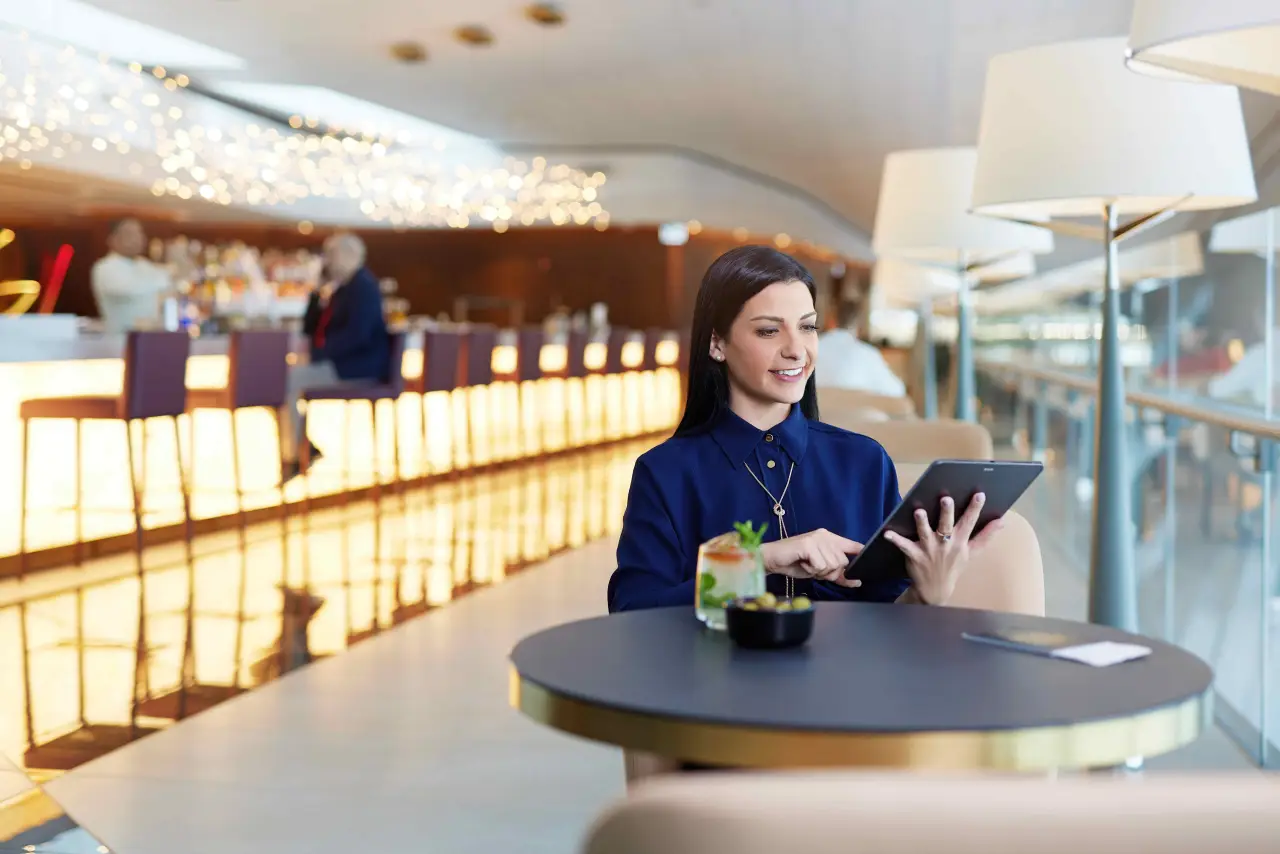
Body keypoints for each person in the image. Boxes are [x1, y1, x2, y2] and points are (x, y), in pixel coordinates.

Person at [608, 245, 1001, 613]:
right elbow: (633, 614)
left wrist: (927, 593)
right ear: (717, 343)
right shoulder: (664, 473)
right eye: (768, 331)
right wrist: (761, 560)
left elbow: (887, 626)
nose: (797, 349)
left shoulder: (865, 462)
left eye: (807, 327)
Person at [282, 232, 390, 480]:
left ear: (347, 256)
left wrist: (319, 356)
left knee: (287, 381)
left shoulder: (363, 287)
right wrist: (317, 292)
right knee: (284, 380)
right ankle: (301, 449)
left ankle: (298, 453)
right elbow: (310, 327)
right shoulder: (342, 289)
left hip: (356, 368)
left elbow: (357, 336)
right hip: (343, 365)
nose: (327, 262)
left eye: (331, 255)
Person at [90, 219, 172, 332]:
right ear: (112, 239)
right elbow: (132, 290)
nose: (137, 238)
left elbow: (170, 285)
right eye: (129, 234)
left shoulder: (145, 264)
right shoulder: (105, 267)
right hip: (119, 339)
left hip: (152, 337)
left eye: (139, 233)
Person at [815, 298, 906, 396]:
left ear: (830, 320)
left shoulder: (809, 349)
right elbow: (897, 391)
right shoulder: (868, 354)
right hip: (855, 409)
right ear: (859, 327)